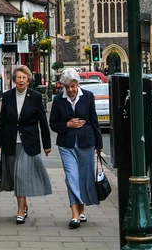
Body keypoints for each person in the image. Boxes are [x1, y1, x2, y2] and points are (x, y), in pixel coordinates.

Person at [0, 65, 53, 225]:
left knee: (21, 175)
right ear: (14, 80)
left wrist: (47, 144)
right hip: (10, 142)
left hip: (28, 143)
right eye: (18, 77)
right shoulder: (7, 97)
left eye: (24, 78)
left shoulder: (35, 96)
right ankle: (24, 205)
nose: (21, 80)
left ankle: (19, 211)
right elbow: (2, 121)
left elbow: (43, 121)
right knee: (15, 177)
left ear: (28, 80)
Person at [49, 68, 103, 229]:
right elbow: (53, 123)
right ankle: (74, 215)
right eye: (67, 87)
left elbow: (94, 121)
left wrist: (99, 144)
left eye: (73, 86)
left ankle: (82, 209)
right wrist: (67, 124)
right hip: (66, 144)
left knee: (84, 177)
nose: (71, 90)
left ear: (77, 84)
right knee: (71, 177)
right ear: (63, 86)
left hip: (87, 142)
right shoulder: (58, 100)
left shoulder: (87, 96)